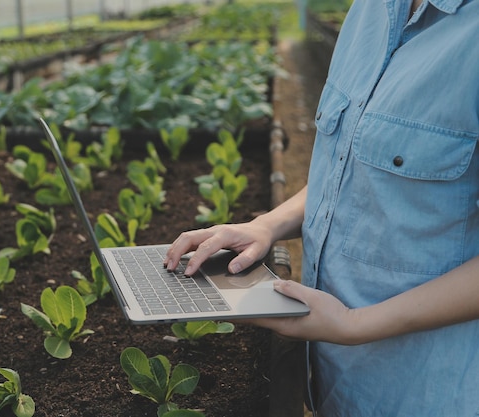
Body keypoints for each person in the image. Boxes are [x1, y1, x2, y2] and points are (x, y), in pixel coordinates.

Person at [164, 0, 479, 416]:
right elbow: (356, 169)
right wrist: (267, 225)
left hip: (426, 390)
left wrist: (353, 324)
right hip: (335, 375)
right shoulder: (372, 10)